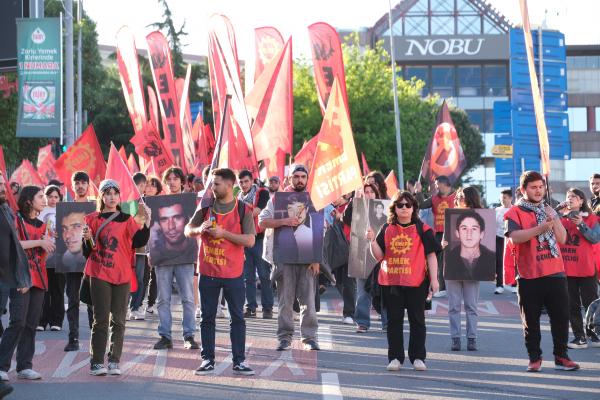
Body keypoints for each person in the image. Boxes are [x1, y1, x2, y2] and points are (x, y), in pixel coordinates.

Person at [505, 170, 579, 372]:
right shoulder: (515, 212)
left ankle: (561, 357)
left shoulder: (549, 209)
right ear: (523, 190)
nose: (538, 191)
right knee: (531, 321)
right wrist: (540, 228)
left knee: (561, 317)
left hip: (555, 272)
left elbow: (562, 239)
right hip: (529, 275)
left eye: (541, 187)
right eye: (533, 187)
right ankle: (534, 358)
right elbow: (515, 238)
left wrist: (554, 219)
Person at [185, 168, 256, 376]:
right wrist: (200, 230)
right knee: (207, 318)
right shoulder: (206, 205)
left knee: (237, 318)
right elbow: (187, 229)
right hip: (208, 270)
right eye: (211, 183)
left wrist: (224, 233)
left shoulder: (243, 209)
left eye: (216, 184)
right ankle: (207, 360)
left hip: (233, 272)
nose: (212, 187)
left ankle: (239, 361)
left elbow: (250, 240)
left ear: (229, 185)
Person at [82, 179, 150, 376]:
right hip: (99, 272)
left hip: (122, 274)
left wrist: (146, 223)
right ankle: (96, 362)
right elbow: (87, 252)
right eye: (107, 193)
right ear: (102, 196)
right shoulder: (91, 219)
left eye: (115, 193)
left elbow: (139, 242)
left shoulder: (127, 219)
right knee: (101, 319)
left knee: (119, 320)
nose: (111, 197)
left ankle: (114, 361)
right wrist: (87, 238)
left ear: (120, 196)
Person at [369, 191, 440, 372]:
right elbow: (378, 256)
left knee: (418, 321)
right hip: (392, 282)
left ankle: (418, 357)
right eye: (400, 205)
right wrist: (371, 241)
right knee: (394, 321)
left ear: (414, 208)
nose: (404, 208)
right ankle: (395, 358)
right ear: (394, 208)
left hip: (417, 283)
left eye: (408, 205)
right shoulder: (386, 228)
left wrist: (435, 279)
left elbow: (431, 255)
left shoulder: (422, 229)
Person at [259, 165, 321, 351]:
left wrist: (317, 258)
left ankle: (309, 338)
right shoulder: (278, 199)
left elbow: (320, 230)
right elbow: (262, 221)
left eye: (303, 176)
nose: (300, 180)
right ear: (289, 179)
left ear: (307, 179)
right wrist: (284, 221)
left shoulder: (314, 200)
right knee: (286, 301)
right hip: (284, 257)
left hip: (308, 258)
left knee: (308, 301)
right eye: (296, 176)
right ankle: (284, 337)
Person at [0, 185, 53, 381]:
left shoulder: (42, 224)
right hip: (20, 278)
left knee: (31, 324)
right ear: (29, 200)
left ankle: (24, 366)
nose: (44, 200)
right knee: (17, 322)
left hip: (38, 278)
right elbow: (13, 244)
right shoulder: (15, 219)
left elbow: (43, 254)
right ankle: (2, 365)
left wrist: (48, 244)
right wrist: (39, 242)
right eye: (40, 196)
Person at [152, 167, 198, 350]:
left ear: (182, 181)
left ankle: (189, 335)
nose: (172, 182)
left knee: (188, 298)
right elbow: (151, 230)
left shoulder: (190, 201)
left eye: (175, 178)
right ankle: (165, 336)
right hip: (162, 258)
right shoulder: (156, 203)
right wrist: (151, 251)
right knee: (163, 299)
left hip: (185, 256)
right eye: (168, 179)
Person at [443, 187, 489, 352]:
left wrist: (490, 267)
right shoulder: (451, 216)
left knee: (471, 305)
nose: (459, 199)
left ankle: (472, 339)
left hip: (473, 267)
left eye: (461, 196)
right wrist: (443, 245)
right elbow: (444, 240)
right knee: (453, 305)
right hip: (453, 266)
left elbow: (488, 242)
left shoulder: (482, 216)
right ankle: (455, 338)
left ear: (470, 198)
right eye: (458, 196)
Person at [557, 188, 600, 349]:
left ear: (581, 201)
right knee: (571, 304)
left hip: (586, 268)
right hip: (567, 269)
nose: (570, 199)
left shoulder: (591, 219)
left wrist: (581, 224)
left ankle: (594, 334)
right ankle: (579, 337)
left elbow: (595, 239)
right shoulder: (561, 218)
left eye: (574, 197)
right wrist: (557, 213)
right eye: (568, 196)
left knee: (591, 303)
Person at [0, 171, 29, 397]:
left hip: (12, 277)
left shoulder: (7, 210)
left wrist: (21, 276)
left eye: (3, 184)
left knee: (18, 320)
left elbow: (16, 247)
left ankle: (1, 368)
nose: (3, 188)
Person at [237, 169, 273, 319]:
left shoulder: (262, 193)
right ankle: (250, 307)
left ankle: (267, 308)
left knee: (264, 275)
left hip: (259, 239)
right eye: (241, 182)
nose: (244, 184)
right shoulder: (238, 197)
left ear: (252, 181)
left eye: (246, 181)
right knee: (247, 277)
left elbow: (257, 211)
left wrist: (239, 214)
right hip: (244, 240)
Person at [350, 184, 385, 333]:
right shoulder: (356, 207)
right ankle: (362, 322)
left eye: (371, 192)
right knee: (362, 292)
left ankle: (387, 322)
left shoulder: (385, 209)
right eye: (366, 192)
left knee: (384, 292)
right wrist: (355, 201)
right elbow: (346, 219)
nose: (368, 194)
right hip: (361, 256)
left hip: (380, 257)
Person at [415, 175, 456, 298]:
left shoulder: (456, 197)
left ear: (445, 184)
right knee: (438, 260)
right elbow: (421, 205)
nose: (436, 187)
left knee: (454, 261)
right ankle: (441, 287)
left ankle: (456, 287)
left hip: (454, 232)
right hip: (438, 233)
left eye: (438, 184)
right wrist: (418, 192)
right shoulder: (434, 199)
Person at [38, 185, 65, 331]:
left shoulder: (64, 212)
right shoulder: (40, 211)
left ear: (60, 198)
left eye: (56, 197)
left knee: (58, 289)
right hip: (42, 256)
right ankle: (41, 320)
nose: (53, 199)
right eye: (50, 196)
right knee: (43, 289)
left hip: (59, 256)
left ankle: (57, 321)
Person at [129, 172, 149, 320]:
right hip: (125, 248)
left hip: (140, 249)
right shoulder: (125, 203)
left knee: (139, 278)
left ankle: (135, 307)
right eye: (138, 185)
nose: (140, 188)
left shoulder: (146, 203)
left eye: (141, 185)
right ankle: (125, 307)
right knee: (126, 278)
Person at [142, 176, 161, 315]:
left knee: (154, 275)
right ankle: (136, 304)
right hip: (141, 244)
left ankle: (150, 303)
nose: (149, 188)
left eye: (153, 186)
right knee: (141, 275)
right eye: (147, 185)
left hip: (156, 242)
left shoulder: (161, 204)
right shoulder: (137, 201)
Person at [494, 189, 513, 294]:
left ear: (510, 198)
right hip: (499, 238)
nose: (503, 200)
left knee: (513, 261)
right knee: (499, 261)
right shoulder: (497, 210)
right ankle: (499, 285)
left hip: (512, 239)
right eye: (501, 198)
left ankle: (514, 284)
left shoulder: (515, 209)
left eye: (505, 198)